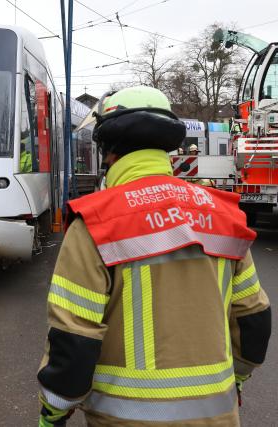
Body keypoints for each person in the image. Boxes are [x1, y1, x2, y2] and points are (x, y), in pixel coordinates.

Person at [37, 86, 271, 427]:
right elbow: (253, 319)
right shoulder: (224, 216)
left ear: (108, 152)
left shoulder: (97, 222)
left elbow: (74, 338)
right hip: (217, 416)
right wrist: (236, 379)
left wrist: (53, 411)